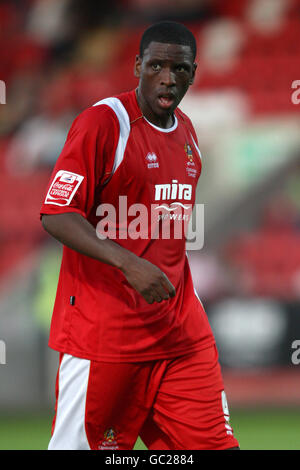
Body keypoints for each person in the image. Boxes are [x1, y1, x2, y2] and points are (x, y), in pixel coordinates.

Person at [40, 21, 239, 450]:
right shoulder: (103, 123)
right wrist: (129, 263)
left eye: (180, 69)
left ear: (194, 72)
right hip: (106, 336)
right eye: (157, 66)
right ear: (137, 66)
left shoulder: (188, 134)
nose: (168, 78)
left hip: (181, 335)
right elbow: (57, 214)